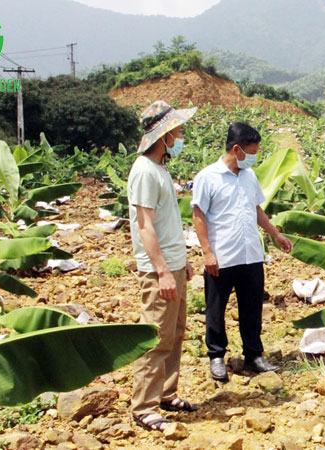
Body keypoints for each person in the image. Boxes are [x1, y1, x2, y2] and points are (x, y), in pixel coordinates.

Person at [191, 122, 293, 381]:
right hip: (222, 256)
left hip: (250, 254)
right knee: (216, 309)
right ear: (236, 149)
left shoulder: (249, 176)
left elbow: (256, 209)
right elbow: (199, 215)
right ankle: (216, 356)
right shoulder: (208, 177)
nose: (254, 157)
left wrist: (275, 233)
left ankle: (254, 355)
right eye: (251, 151)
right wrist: (207, 252)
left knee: (251, 308)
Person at [128, 100, 198, 432]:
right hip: (159, 271)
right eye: (179, 131)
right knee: (156, 337)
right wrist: (163, 270)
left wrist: (181, 262)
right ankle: (144, 406)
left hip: (173, 264)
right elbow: (145, 226)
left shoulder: (161, 168)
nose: (182, 136)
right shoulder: (144, 171)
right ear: (165, 134)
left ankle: (167, 394)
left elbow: (168, 224)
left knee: (175, 334)